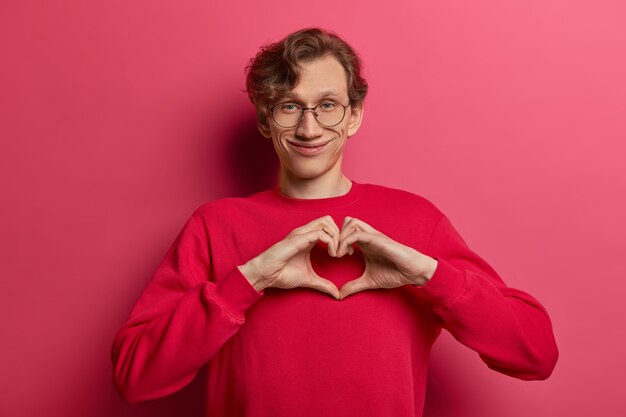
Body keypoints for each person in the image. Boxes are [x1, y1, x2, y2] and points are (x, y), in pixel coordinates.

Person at [111, 27, 558, 417]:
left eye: (328, 105)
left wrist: (426, 274)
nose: (309, 128)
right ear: (266, 121)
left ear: (355, 116)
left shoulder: (415, 220)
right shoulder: (215, 225)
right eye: (289, 107)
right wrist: (247, 280)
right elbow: (135, 377)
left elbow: (535, 354)